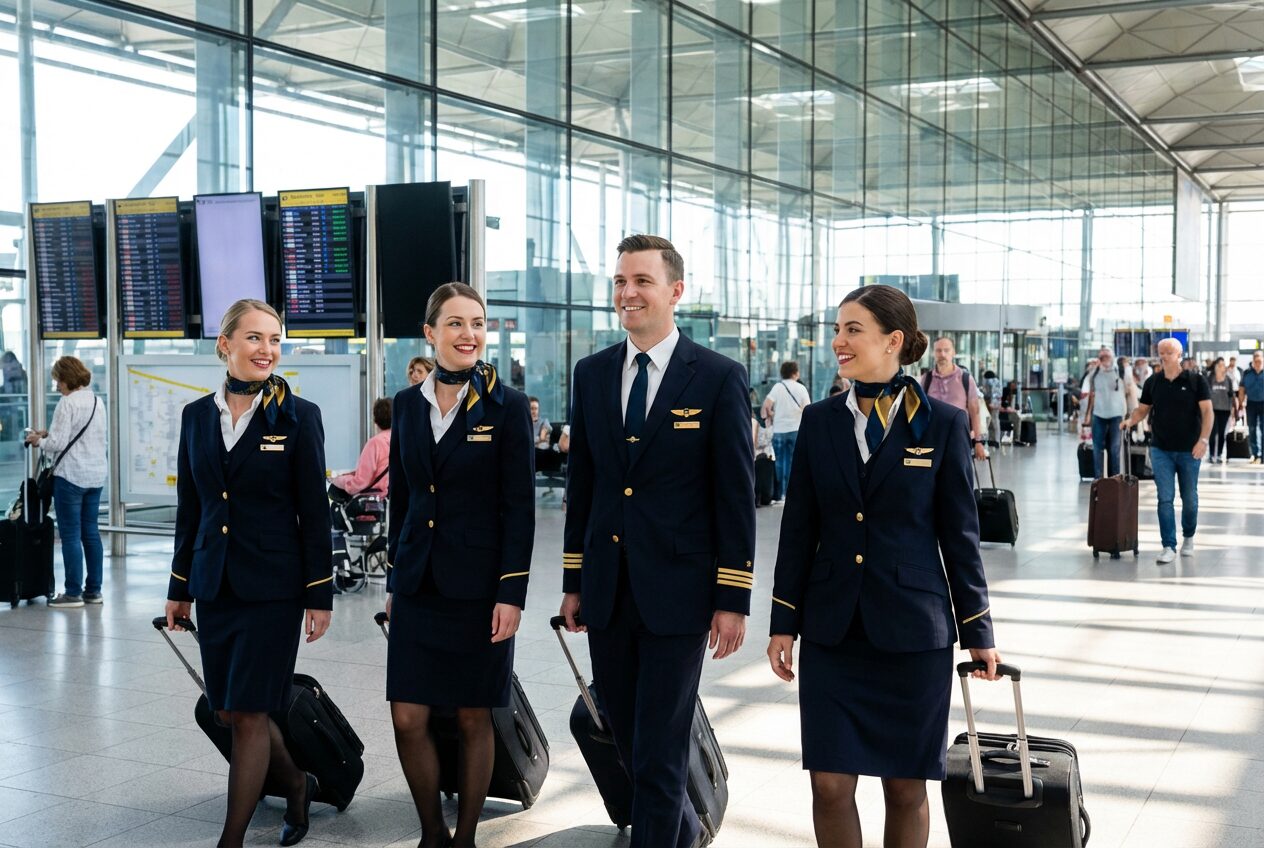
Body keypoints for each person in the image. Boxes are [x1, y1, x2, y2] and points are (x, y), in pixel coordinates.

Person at [766, 284, 1000, 848]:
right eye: (837, 330)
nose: (838, 342)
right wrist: (782, 621)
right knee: (828, 783)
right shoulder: (819, 422)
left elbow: (960, 537)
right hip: (833, 629)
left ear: (893, 341)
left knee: (906, 787)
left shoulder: (941, 424)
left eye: (853, 330)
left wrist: (978, 630)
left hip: (913, 632)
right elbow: (799, 529)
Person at [560, 234, 755, 848]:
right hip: (609, 588)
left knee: (662, 750)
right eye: (619, 281)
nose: (627, 293)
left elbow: (734, 495)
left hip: (680, 591)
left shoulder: (718, 378)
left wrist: (734, 595)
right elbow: (583, 486)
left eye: (640, 281)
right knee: (624, 735)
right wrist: (573, 581)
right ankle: (687, 830)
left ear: (675, 290)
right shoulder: (591, 375)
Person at [163, 299, 332, 848]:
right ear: (225, 345)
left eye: (275, 340)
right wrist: (179, 589)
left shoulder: (298, 416)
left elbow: (314, 511)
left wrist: (319, 593)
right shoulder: (195, 417)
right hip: (215, 587)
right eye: (255, 338)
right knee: (229, 711)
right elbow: (192, 510)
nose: (267, 350)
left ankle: (231, 840)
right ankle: (297, 784)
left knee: (254, 712)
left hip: (274, 590)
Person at [386, 282, 535, 848]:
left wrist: (511, 593)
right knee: (408, 717)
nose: (469, 334)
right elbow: (405, 499)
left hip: (479, 589)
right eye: (455, 323)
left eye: (477, 323)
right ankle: (432, 832)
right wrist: (396, 580)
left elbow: (518, 508)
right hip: (419, 584)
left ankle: (465, 837)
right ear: (430, 333)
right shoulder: (406, 404)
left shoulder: (507, 406)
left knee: (475, 716)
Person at [23, 356, 106, 608]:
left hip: (70, 477)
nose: (56, 385)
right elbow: (82, 435)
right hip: (95, 475)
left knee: (70, 534)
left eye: (58, 380)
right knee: (91, 533)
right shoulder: (96, 400)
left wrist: (38, 441)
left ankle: (72, 593)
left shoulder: (66, 403)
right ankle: (94, 591)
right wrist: (49, 435)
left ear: (67, 378)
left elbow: (57, 444)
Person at [1121, 338, 1212, 565]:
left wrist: (1203, 440)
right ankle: (1168, 545)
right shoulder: (1153, 382)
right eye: (1161, 352)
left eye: (1168, 351)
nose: (1164, 355)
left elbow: (1208, 412)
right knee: (1165, 498)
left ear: (1179, 354)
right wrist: (1130, 421)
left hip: (1190, 450)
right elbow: (1143, 410)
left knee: (1189, 498)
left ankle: (1188, 537)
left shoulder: (1195, 380)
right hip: (1161, 449)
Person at [922, 338, 986, 461]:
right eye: (938, 350)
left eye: (946, 350)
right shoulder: (926, 379)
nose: (942, 354)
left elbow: (975, 412)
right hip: (932, 442)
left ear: (953, 352)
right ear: (933, 353)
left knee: (958, 478)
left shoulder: (966, 379)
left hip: (959, 441)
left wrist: (978, 442)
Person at [760, 361, 811, 502]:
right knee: (793, 462)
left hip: (779, 430)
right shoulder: (801, 388)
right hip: (795, 429)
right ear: (795, 372)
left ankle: (779, 493)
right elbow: (808, 409)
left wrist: (770, 414)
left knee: (779, 462)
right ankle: (789, 493)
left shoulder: (777, 387)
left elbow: (766, 406)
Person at [330, 397, 391, 496]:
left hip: (375, 505)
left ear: (375, 420)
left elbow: (359, 483)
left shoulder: (375, 443)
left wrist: (338, 480)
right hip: (397, 504)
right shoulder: (402, 441)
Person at [1081, 348, 1126, 479]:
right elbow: (1091, 394)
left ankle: (1114, 479)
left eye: (1107, 356)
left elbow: (1128, 389)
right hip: (1098, 414)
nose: (1105, 358)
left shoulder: (1119, 371)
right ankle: (1098, 479)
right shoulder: (1094, 373)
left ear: (1112, 357)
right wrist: (1088, 414)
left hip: (1116, 415)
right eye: (1102, 356)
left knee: (1114, 450)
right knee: (1097, 449)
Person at [1206, 358, 1235, 464]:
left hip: (1224, 409)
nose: (1223, 366)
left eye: (1224, 364)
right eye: (1221, 364)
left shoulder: (1228, 379)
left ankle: (1218, 454)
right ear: (1216, 366)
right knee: (1212, 433)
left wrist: (1233, 410)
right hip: (1212, 409)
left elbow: (1231, 395)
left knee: (1222, 433)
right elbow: (1206, 393)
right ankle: (1211, 454)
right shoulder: (1210, 378)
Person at [1238, 350, 1264, 463]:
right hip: (1251, 404)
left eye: (1259, 358)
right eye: (1255, 358)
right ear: (1253, 360)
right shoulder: (1247, 373)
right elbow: (1242, 389)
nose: (1257, 360)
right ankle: (1255, 454)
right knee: (1252, 429)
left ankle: (1263, 455)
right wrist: (1240, 403)